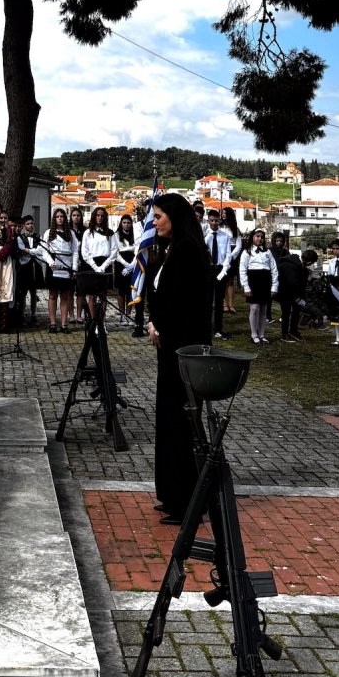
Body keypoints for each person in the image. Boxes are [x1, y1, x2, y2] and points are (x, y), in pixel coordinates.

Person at [145, 193, 212, 525]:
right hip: (169, 349)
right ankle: (172, 493)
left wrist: (162, 325)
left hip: (183, 350)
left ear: (175, 217)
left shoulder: (187, 253)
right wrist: (153, 321)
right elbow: (158, 294)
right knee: (170, 420)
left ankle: (186, 501)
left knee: (182, 422)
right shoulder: (169, 251)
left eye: (159, 216)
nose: (154, 222)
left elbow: (185, 304)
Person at [239, 228, 278, 345]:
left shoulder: (267, 252)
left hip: (265, 281)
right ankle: (253, 334)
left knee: (263, 309)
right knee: (254, 308)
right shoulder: (246, 252)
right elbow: (242, 270)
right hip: (253, 281)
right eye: (257, 236)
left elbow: (274, 270)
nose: (259, 239)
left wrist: (274, 286)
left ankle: (261, 334)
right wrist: (246, 287)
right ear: (252, 237)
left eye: (261, 237)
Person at [78, 206, 116, 322]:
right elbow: (84, 252)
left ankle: (102, 321)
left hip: (105, 263)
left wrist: (103, 267)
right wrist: (95, 267)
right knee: (92, 294)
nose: (99, 218)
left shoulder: (110, 233)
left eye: (102, 216)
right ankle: (93, 321)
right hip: (91, 264)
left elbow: (114, 251)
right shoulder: (88, 233)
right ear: (94, 217)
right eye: (97, 215)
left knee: (103, 294)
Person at [206, 210, 239, 340]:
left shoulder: (225, 236)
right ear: (208, 221)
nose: (214, 223)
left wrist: (223, 271)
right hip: (208, 270)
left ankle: (218, 329)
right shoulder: (205, 236)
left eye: (216, 220)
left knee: (219, 301)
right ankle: (206, 328)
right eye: (212, 220)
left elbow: (228, 255)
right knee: (207, 301)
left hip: (220, 269)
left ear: (220, 221)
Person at [41, 208, 76, 333]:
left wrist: (74, 267)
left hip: (66, 266)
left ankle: (64, 324)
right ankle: (52, 323)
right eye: (57, 216)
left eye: (62, 216)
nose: (60, 218)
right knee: (52, 295)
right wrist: (50, 262)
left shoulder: (70, 233)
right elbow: (44, 250)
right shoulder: (49, 232)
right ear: (54, 219)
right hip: (53, 266)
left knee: (65, 296)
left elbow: (75, 251)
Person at [273, 234, 307, 342]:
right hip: (284, 288)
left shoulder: (288, 257)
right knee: (287, 312)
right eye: (277, 241)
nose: (279, 243)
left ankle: (292, 331)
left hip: (285, 288)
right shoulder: (297, 266)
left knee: (291, 311)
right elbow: (294, 281)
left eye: (281, 241)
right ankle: (285, 333)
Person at [16, 215, 48, 324]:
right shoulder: (20, 237)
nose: (30, 226)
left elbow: (40, 250)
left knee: (34, 291)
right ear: (24, 226)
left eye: (32, 223)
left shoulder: (38, 237)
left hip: (36, 265)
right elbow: (21, 250)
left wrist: (30, 250)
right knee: (23, 291)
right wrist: (32, 251)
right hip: (25, 266)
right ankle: (21, 314)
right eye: (28, 224)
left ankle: (33, 315)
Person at [112, 214, 138, 327]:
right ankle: (122, 314)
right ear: (121, 223)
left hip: (133, 261)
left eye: (128, 223)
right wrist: (125, 264)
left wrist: (131, 266)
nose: (126, 225)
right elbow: (115, 252)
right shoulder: (116, 235)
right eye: (124, 223)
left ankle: (128, 314)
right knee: (121, 291)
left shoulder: (135, 235)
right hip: (121, 263)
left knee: (130, 290)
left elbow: (137, 249)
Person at [219, 207, 242, 312]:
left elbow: (238, 245)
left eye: (225, 213)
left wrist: (231, 256)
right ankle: (224, 304)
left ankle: (231, 304)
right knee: (222, 280)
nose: (223, 215)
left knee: (231, 281)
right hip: (222, 255)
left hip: (232, 256)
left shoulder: (235, 229)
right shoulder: (220, 227)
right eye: (222, 213)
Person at [68, 206, 87, 323]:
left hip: (83, 263)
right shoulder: (68, 230)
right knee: (70, 290)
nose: (76, 218)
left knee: (80, 291)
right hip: (70, 263)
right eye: (74, 215)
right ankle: (71, 315)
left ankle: (79, 315)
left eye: (78, 215)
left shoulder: (85, 231)